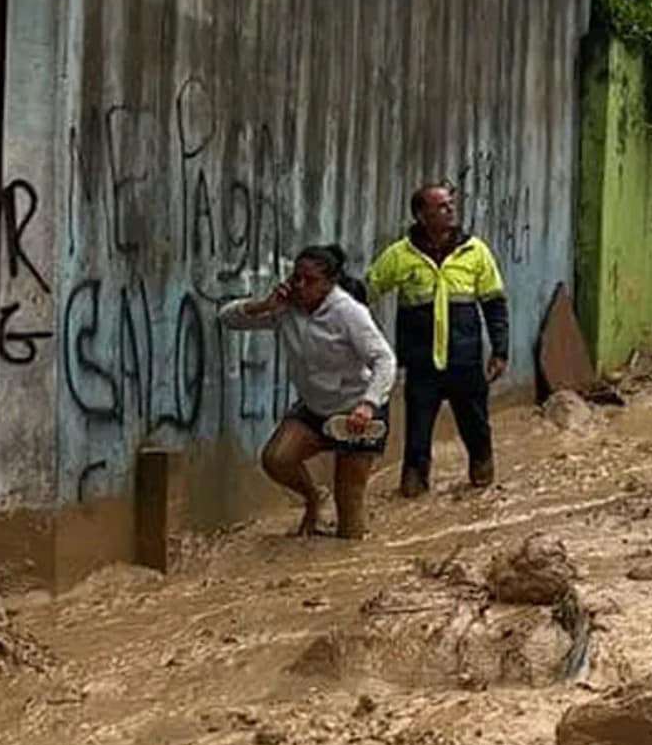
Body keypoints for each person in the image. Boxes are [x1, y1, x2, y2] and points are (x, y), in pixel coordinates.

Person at [218, 245, 396, 539]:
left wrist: (368, 404)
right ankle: (314, 498)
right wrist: (264, 305)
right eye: (296, 278)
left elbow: (384, 359)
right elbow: (227, 319)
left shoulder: (349, 312)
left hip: (357, 413)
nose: (300, 286)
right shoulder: (284, 309)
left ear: (329, 283)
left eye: (309, 280)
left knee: (350, 526)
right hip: (314, 409)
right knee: (276, 459)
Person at [367, 184, 510, 498]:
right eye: (441, 206)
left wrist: (500, 350)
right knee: (417, 437)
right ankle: (413, 490)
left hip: (465, 361)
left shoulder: (475, 252)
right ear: (421, 214)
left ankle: (482, 482)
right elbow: (367, 292)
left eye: (450, 204)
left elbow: (494, 303)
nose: (450, 210)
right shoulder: (400, 256)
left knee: (476, 429)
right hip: (422, 365)